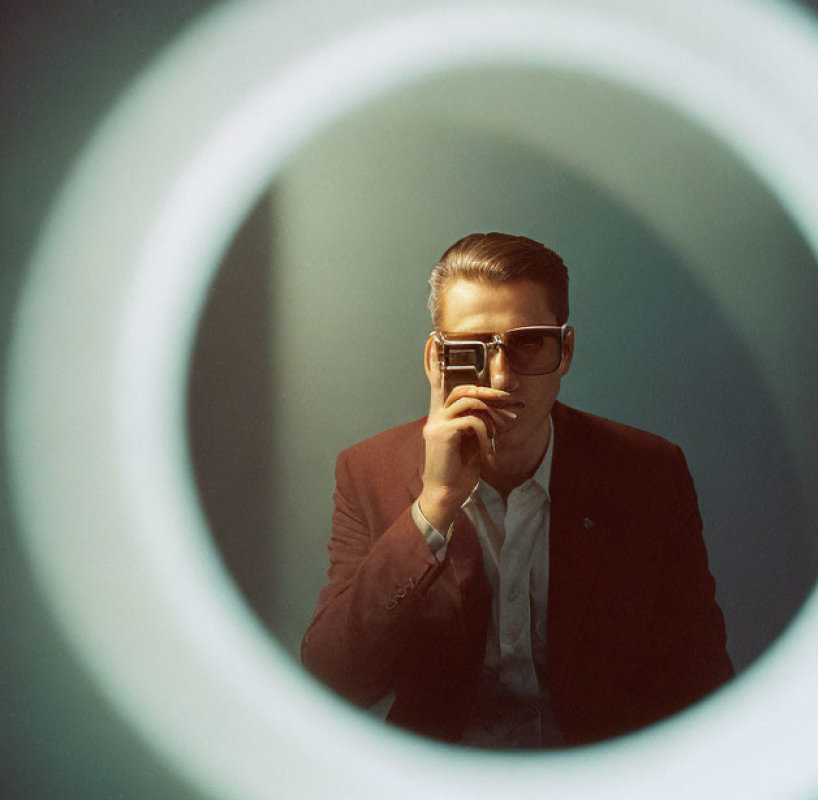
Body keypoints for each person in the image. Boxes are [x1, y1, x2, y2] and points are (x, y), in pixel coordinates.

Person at [301, 232, 733, 748]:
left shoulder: (647, 472)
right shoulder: (369, 471)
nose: (502, 377)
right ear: (436, 358)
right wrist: (433, 505)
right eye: (472, 348)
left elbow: (699, 680)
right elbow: (334, 680)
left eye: (528, 342)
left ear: (566, 349)